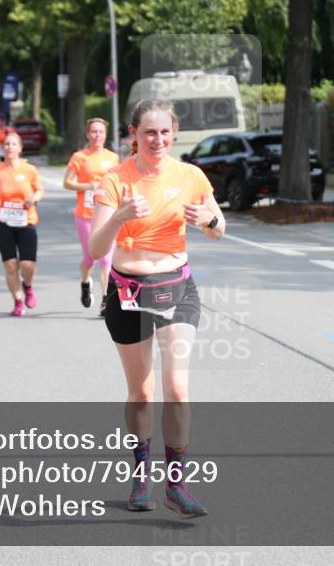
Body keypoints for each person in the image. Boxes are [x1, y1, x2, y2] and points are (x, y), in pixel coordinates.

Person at [89, 98, 225, 519]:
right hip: (127, 290)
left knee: (178, 389)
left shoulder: (191, 175)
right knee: (142, 392)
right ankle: (141, 476)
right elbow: (96, 247)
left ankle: (177, 484)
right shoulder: (116, 179)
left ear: (174, 133)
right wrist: (119, 218)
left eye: (165, 132)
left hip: (177, 287)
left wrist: (208, 220)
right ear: (133, 134)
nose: (158, 139)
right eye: (149, 132)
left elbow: (219, 230)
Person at [63, 118, 120, 315]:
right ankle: (85, 282)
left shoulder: (113, 158)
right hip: (85, 214)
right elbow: (67, 183)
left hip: (106, 214)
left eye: (100, 132)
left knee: (106, 259)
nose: (97, 135)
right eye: (93, 132)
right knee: (90, 259)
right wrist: (88, 186)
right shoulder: (79, 157)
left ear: (105, 135)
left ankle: (105, 300)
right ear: (88, 134)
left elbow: (119, 182)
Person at [0, 133, 44, 316]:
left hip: (26, 221)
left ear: (20, 148)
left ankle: (27, 286)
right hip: (3, 222)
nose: (9, 147)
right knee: (10, 264)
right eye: (7, 144)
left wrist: (33, 199)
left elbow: (40, 190)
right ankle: (18, 301)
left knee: (27, 265)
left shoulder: (29, 170)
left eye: (13, 144)